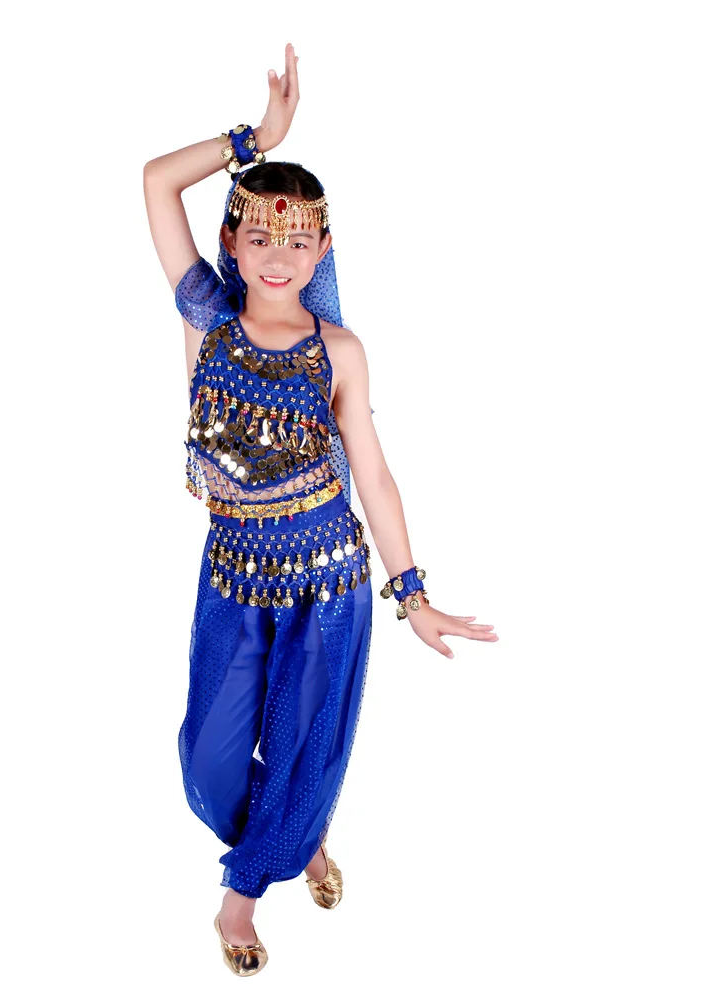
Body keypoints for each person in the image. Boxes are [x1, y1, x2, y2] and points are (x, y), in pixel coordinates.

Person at [143, 41, 499, 976]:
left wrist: (413, 594)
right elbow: (155, 182)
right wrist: (254, 139)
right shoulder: (206, 318)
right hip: (233, 573)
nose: (279, 255)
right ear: (232, 243)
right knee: (207, 764)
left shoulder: (339, 350)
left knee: (306, 745)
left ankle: (242, 895)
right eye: (261, 235)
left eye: (299, 239)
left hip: (329, 579)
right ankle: (296, 834)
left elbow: (372, 475)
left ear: (323, 250)